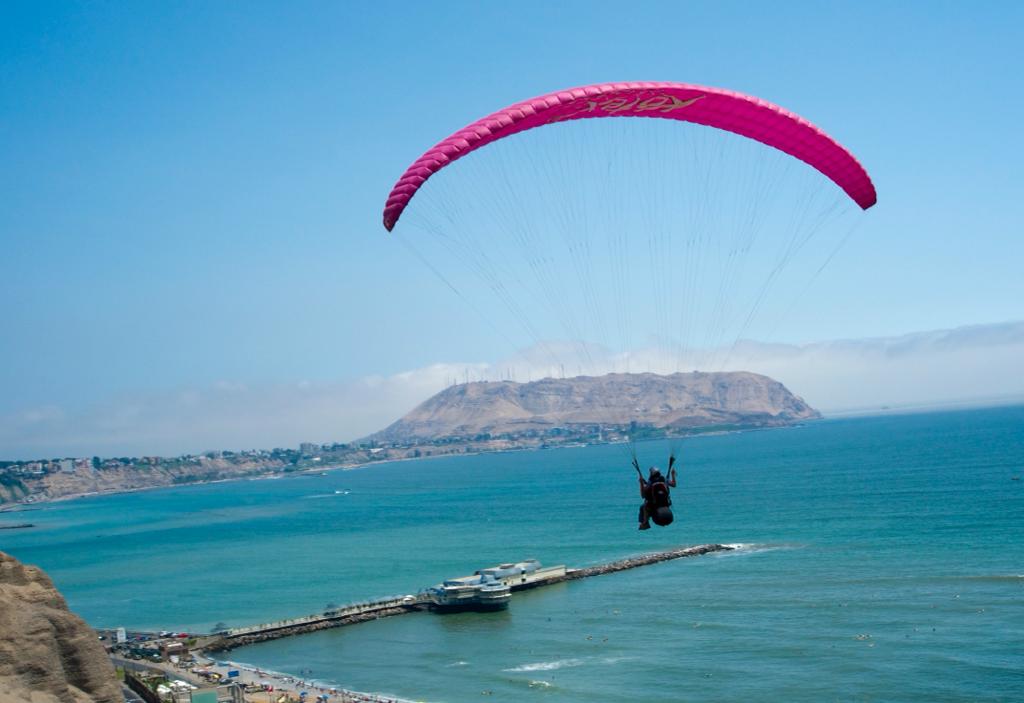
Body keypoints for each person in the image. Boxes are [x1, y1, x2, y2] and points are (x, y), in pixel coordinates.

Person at [636, 457, 677, 530]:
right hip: (665, 503)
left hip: (653, 505)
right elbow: (674, 484)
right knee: (646, 506)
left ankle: (645, 523)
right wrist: (673, 474)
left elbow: (643, 495)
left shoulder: (650, 482)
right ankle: (645, 523)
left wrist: (641, 483)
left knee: (643, 507)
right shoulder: (664, 480)